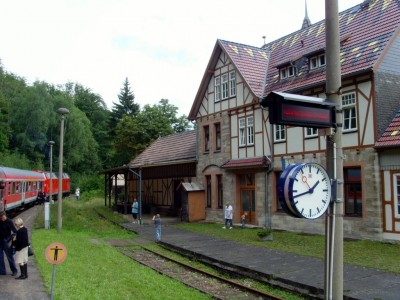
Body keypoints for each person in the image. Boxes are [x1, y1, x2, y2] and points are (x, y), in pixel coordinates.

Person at [0, 211, 18, 276]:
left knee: (9, 256)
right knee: (0, 257)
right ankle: (2, 271)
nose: (2, 219)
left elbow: (15, 231)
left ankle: (14, 270)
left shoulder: (9, 221)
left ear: (5, 215)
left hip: (6, 240)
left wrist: (10, 239)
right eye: (1, 218)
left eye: (3, 218)